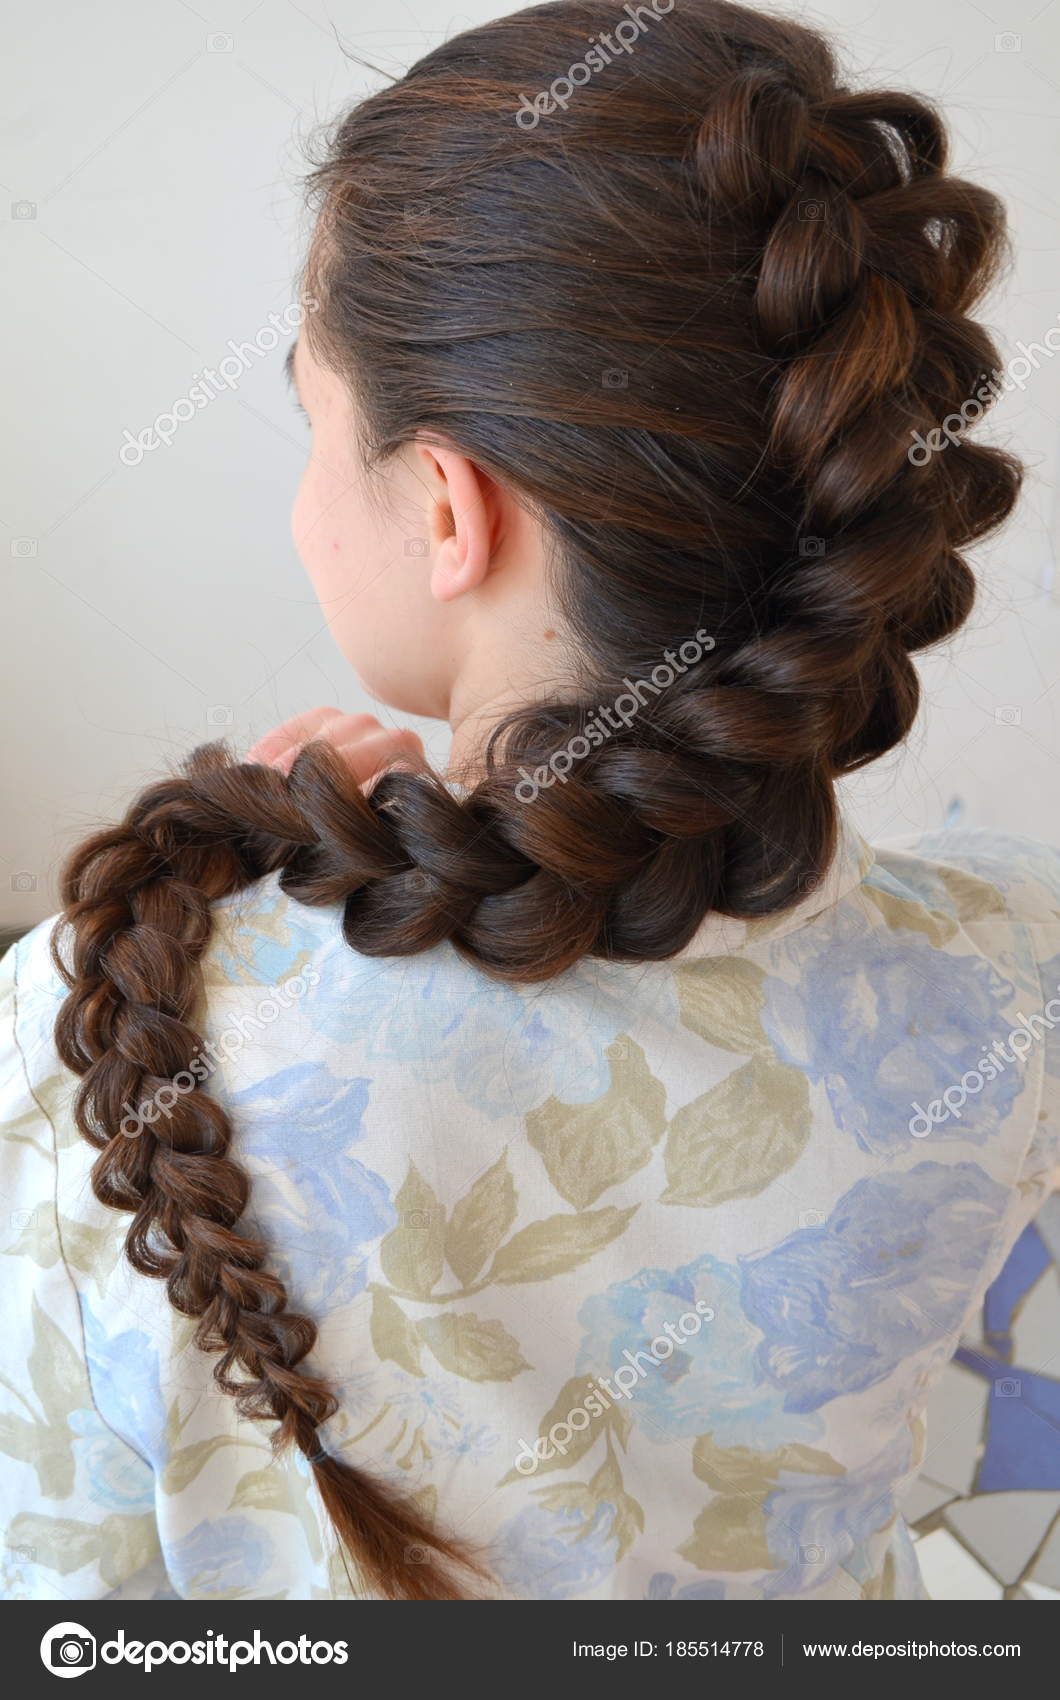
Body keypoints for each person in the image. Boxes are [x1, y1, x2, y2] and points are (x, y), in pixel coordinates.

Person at [1, 0, 1056, 1603]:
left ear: (445, 509)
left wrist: (224, 882)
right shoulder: (1015, 974)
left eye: (313, 420)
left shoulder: (107, 1027)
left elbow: (56, 1579)